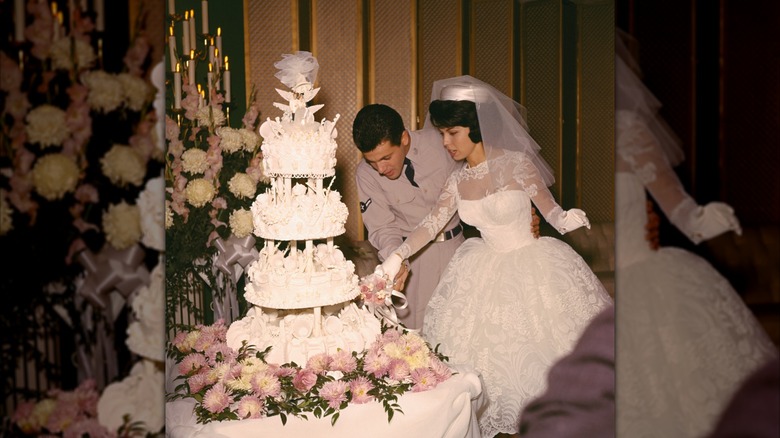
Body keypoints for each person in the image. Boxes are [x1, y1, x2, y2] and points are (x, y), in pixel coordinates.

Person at [376, 75, 613, 437]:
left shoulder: (517, 164)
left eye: (452, 132)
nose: (445, 142)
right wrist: (398, 256)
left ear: (475, 125)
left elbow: (549, 210)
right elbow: (431, 223)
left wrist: (565, 219)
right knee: (490, 373)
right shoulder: (457, 181)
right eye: (441, 133)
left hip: (534, 269)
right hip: (482, 270)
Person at [614, 30, 779, 437]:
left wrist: (706, 219)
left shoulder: (629, 132)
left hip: (646, 281)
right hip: (588, 282)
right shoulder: (555, 139)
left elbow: (681, 210)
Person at [353, 103, 541, 330]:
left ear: (403, 138)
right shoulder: (365, 174)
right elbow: (382, 227)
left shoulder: (444, 142)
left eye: (386, 158)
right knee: (420, 342)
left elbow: (490, 174)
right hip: (413, 262)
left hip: (460, 253)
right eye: (372, 162)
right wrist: (398, 260)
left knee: (469, 329)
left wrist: (518, 214)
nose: (380, 169)